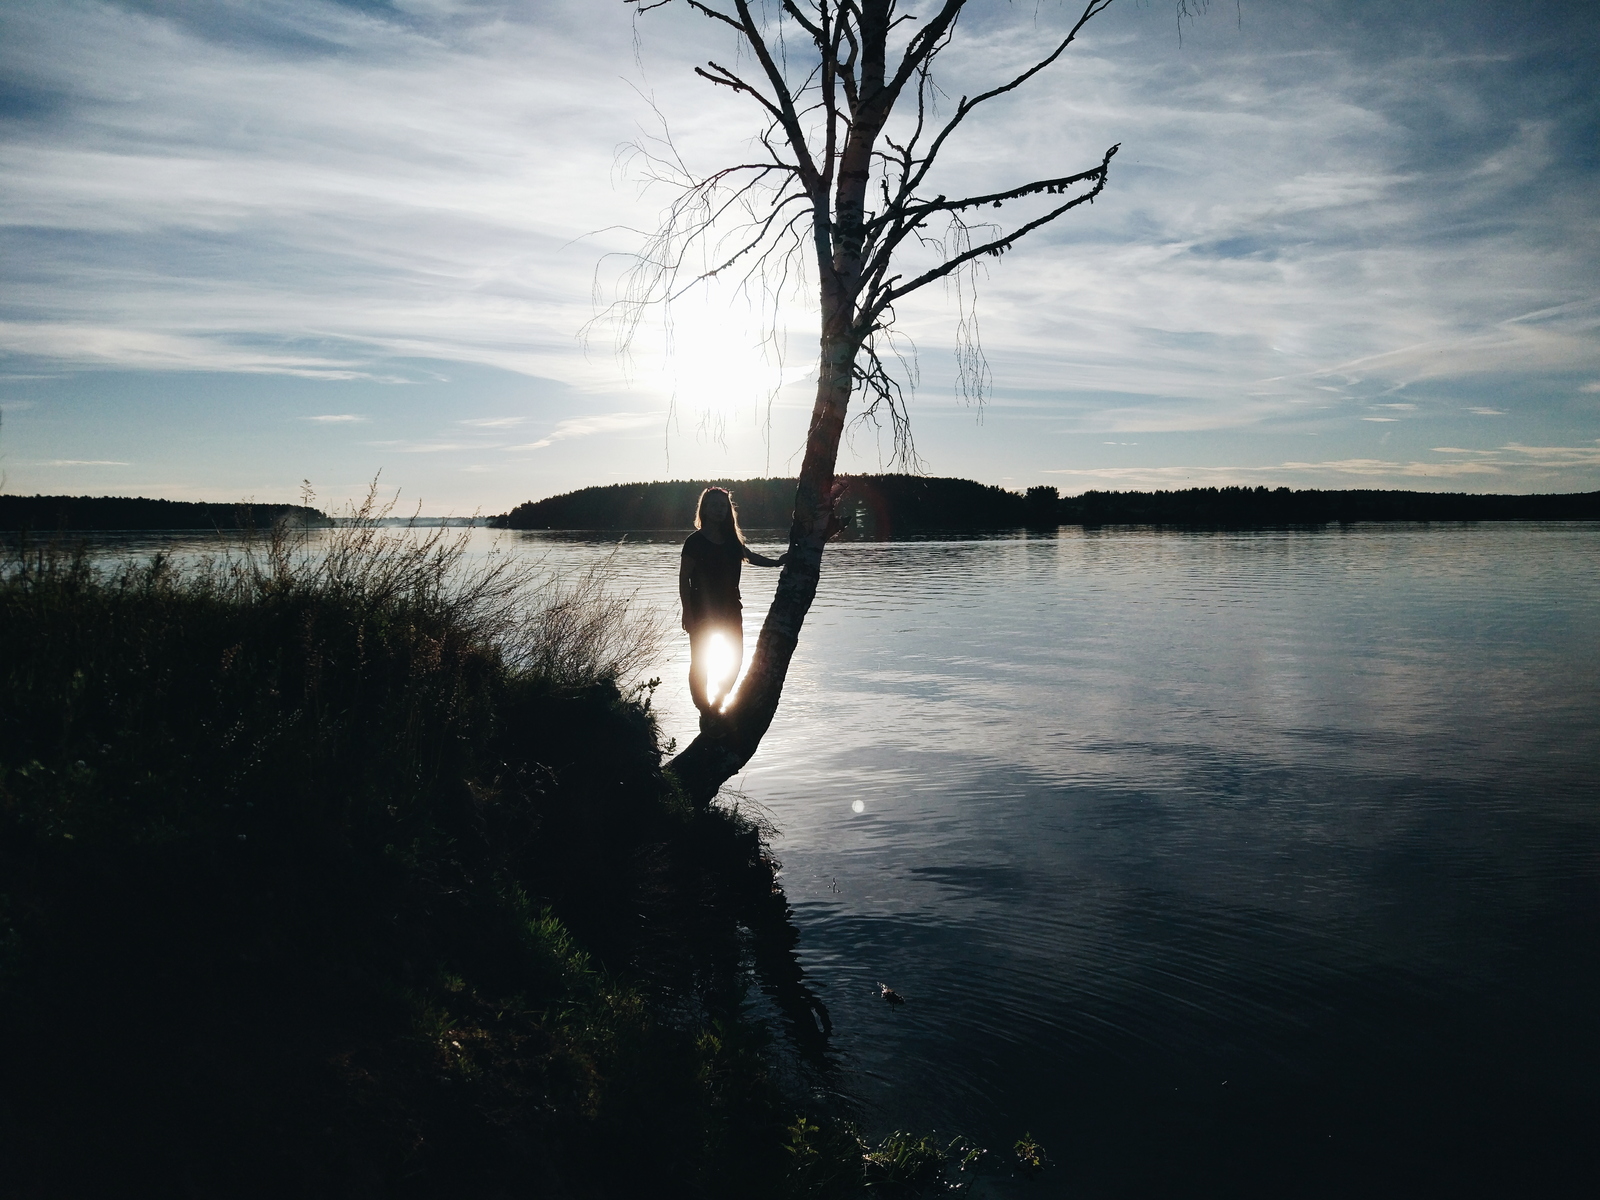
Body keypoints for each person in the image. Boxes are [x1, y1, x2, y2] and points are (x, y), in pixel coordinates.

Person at [679, 487, 785, 724]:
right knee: (700, 662)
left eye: (722, 505)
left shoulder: (731, 541)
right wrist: (687, 611)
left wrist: (777, 563)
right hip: (701, 611)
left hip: (730, 609)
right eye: (713, 505)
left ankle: (718, 701)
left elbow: (749, 556)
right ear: (704, 508)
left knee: (736, 658)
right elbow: (683, 578)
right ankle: (704, 710)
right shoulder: (694, 542)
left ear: (728, 510)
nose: (718, 509)